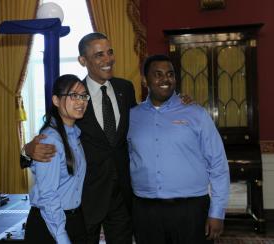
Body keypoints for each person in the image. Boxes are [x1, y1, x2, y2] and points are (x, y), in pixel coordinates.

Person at [25, 32, 136, 244]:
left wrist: (177, 101)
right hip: (87, 200)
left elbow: (140, 123)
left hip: (122, 194)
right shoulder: (74, 102)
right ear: (83, 60)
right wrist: (27, 150)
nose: (108, 59)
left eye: (110, 52)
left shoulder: (125, 89)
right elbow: (49, 139)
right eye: (99, 55)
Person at [127, 54, 230, 244]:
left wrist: (217, 212)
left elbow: (218, 165)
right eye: (157, 74)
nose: (165, 79)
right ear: (144, 80)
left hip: (191, 210)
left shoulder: (196, 114)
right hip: (145, 211)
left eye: (170, 74)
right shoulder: (131, 117)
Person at [24, 74, 89, 244]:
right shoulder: (50, 140)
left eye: (84, 96)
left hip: (73, 220)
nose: (81, 101)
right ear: (56, 100)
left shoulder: (75, 134)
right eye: (73, 96)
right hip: (50, 226)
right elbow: (48, 196)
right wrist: (61, 236)